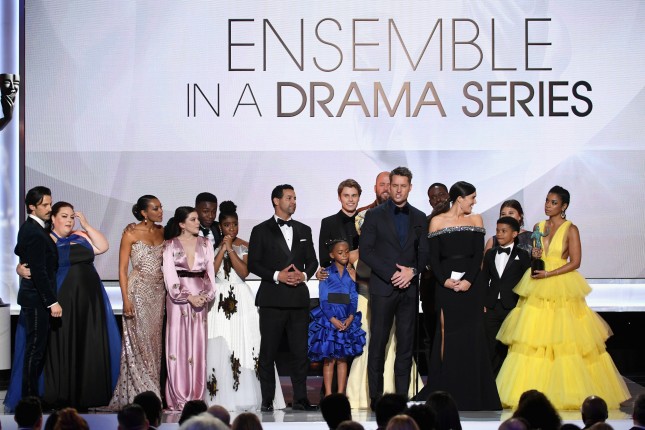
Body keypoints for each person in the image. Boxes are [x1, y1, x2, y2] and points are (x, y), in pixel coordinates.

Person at [496, 186, 630, 409]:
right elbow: (537, 255)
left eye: (554, 202)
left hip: (560, 284)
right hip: (537, 283)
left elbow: (575, 262)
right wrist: (536, 256)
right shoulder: (539, 227)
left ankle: (568, 392)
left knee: (564, 340)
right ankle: (530, 391)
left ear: (564, 206)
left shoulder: (571, 229)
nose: (548, 205)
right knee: (534, 339)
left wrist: (550, 274)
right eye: (547, 201)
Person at [21, 202, 119, 410]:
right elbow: (29, 264)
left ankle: (87, 394)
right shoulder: (46, 239)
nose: (69, 220)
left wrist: (86, 225)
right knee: (64, 341)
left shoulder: (80, 236)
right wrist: (20, 269)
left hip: (89, 300)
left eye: (71, 217)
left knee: (86, 341)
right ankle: (62, 394)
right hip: (64, 297)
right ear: (53, 219)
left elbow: (103, 246)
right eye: (64, 216)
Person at [420, 181, 501, 410]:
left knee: (472, 334)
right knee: (446, 333)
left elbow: (478, 256)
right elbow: (434, 257)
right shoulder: (437, 222)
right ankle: (446, 387)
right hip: (445, 285)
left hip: (471, 286)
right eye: (471, 198)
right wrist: (444, 280)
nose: (474, 202)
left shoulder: (476, 220)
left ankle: (472, 387)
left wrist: (469, 281)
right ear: (460, 199)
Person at [205, 201, 285, 411]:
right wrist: (222, 249)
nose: (231, 228)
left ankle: (250, 394)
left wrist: (231, 249)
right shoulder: (211, 246)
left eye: (235, 224)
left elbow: (244, 272)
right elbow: (211, 272)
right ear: (220, 226)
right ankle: (220, 395)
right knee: (221, 344)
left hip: (241, 297)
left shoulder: (244, 245)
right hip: (219, 299)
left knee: (247, 343)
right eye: (227, 225)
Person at [359, 167, 429, 409]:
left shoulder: (420, 217)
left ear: (410, 187)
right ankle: (376, 398)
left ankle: (402, 398)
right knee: (378, 343)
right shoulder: (374, 215)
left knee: (406, 345)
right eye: (395, 185)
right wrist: (393, 274)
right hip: (383, 288)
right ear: (389, 186)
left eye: (403, 186)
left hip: (409, 290)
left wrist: (412, 271)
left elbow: (425, 252)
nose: (398, 190)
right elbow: (366, 251)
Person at [247, 184, 319, 412]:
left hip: (298, 299)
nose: (293, 202)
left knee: (300, 352)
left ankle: (300, 398)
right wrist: (277, 275)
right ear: (276, 201)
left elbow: (313, 261)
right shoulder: (260, 230)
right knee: (268, 352)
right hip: (272, 299)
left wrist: (303, 275)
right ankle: (267, 399)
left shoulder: (304, 229)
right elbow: (253, 263)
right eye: (289, 198)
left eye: (295, 198)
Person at [5, 187, 62, 411]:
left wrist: (22, 263)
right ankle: (30, 402)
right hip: (37, 300)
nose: (49, 208)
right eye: (45, 205)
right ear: (32, 207)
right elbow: (38, 270)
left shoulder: (32, 228)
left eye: (50, 204)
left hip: (34, 298)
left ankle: (32, 398)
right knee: (35, 350)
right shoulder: (34, 231)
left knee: (37, 349)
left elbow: (18, 249)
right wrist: (51, 301)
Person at [109, 195, 166, 408]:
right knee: (139, 341)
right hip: (138, 291)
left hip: (158, 293)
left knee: (154, 342)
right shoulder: (130, 233)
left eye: (160, 207)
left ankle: (153, 390)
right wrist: (125, 300)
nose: (160, 211)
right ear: (144, 212)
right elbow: (122, 269)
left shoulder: (163, 231)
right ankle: (142, 392)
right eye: (155, 208)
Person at [163, 206, 216, 411]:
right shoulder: (170, 245)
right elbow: (170, 276)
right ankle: (179, 396)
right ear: (182, 224)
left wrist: (205, 296)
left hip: (200, 299)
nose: (198, 222)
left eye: (197, 219)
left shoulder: (206, 243)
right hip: (178, 301)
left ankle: (196, 397)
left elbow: (210, 274)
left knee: (197, 347)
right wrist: (188, 297)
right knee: (178, 346)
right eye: (193, 219)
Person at [308, 240, 366, 396]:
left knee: (342, 358)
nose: (344, 255)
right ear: (332, 255)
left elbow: (353, 297)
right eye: (340, 253)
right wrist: (332, 319)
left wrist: (351, 317)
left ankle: (340, 394)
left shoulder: (351, 273)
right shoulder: (326, 273)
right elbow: (323, 299)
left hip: (346, 317)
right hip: (329, 320)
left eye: (347, 252)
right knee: (329, 358)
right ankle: (328, 394)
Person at [481, 217, 531, 376]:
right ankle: (492, 383)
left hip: (512, 307)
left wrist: (523, 305)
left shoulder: (522, 255)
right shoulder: (490, 254)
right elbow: (484, 280)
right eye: (497, 231)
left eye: (504, 231)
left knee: (511, 347)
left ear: (514, 234)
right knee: (491, 346)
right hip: (491, 307)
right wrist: (483, 303)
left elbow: (527, 282)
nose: (499, 234)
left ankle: (509, 380)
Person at [419, 182, 450, 375]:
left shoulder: (459, 219)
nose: (438, 199)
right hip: (430, 285)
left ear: (449, 196)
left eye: (441, 195)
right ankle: (434, 377)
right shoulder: (425, 222)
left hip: (452, 284)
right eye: (433, 197)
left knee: (451, 331)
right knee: (431, 331)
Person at [318, 180, 362, 268]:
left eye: (354, 195)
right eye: (346, 196)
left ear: (359, 197)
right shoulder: (328, 223)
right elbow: (324, 259)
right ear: (339, 197)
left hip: (364, 274)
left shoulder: (367, 221)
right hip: (337, 274)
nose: (350, 199)